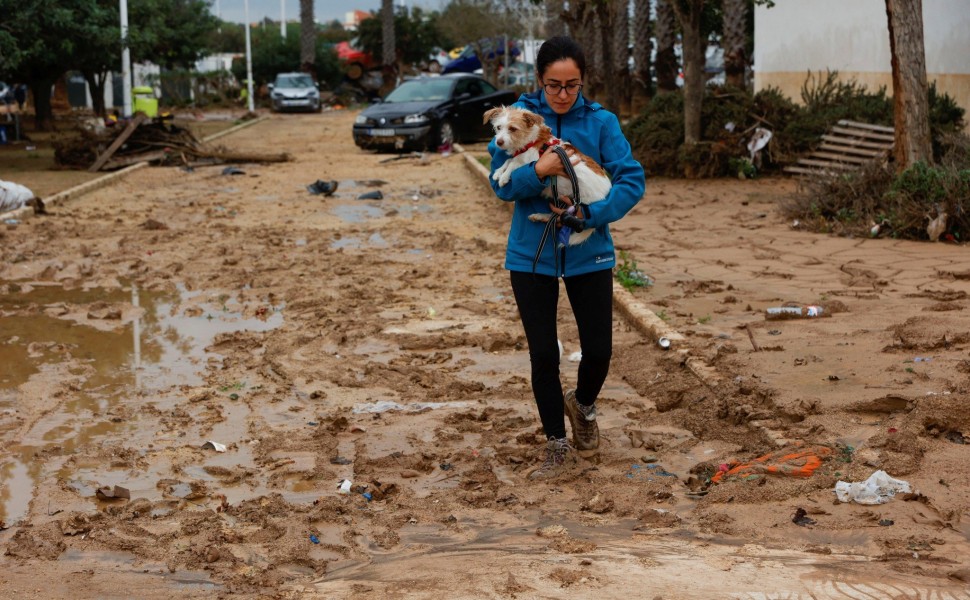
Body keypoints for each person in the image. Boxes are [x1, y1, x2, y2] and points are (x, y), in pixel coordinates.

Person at [486, 36, 645, 479]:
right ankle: (556, 442)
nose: (562, 94)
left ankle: (584, 404)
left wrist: (591, 213)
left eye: (571, 85)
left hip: (588, 249)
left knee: (598, 349)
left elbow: (631, 179)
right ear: (539, 81)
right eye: (554, 85)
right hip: (530, 254)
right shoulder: (513, 119)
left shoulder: (601, 122)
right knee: (543, 355)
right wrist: (538, 172)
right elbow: (500, 186)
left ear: (582, 83)